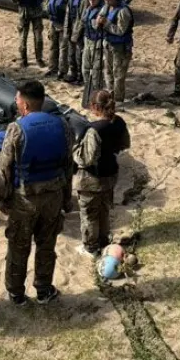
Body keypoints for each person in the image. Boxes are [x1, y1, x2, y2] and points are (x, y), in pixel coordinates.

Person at [0, 80, 75, 305]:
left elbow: (4, 166)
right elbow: (68, 165)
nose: (16, 102)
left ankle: (16, 292)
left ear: (25, 105)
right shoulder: (63, 125)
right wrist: (67, 198)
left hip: (25, 199)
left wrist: (4, 198)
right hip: (54, 196)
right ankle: (43, 289)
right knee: (46, 245)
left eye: (18, 99)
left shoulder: (16, 128)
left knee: (19, 247)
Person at [73, 90, 130, 257]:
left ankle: (90, 247)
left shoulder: (93, 130)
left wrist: (74, 150)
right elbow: (125, 144)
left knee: (89, 214)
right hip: (110, 174)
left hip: (92, 178)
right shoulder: (119, 122)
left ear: (94, 107)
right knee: (104, 209)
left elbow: (86, 159)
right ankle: (104, 240)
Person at [98, 0, 134, 103]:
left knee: (118, 74)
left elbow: (120, 31)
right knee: (108, 71)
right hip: (108, 44)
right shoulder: (106, 7)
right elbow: (98, 21)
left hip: (121, 48)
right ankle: (110, 95)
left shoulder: (123, 11)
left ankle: (118, 100)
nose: (106, 2)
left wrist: (106, 24)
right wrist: (97, 22)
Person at [10, 0, 47, 68]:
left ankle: (39, 59)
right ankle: (23, 60)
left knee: (38, 38)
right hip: (24, 13)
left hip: (36, 12)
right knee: (23, 37)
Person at [80, 0, 106, 108]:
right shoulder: (88, 9)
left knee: (96, 70)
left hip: (98, 42)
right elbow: (82, 22)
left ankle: (96, 93)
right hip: (88, 40)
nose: (91, 1)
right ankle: (88, 88)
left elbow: (97, 26)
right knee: (85, 67)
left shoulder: (102, 11)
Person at [63, 0, 88, 85]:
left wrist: (76, 34)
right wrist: (67, 31)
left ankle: (80, 75)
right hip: (71, 26)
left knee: (79, 54)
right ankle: (72, 72)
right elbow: (67, 15)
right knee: (71, 53)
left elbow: (83, 19)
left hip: (80, 30)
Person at [44, 0, 70, 78]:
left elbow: (70, 12)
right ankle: (52, 68)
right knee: (52, 47)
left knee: (63, 49)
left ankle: (62, 71)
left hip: (63, 25)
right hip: (53, 23)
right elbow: (47, 5)